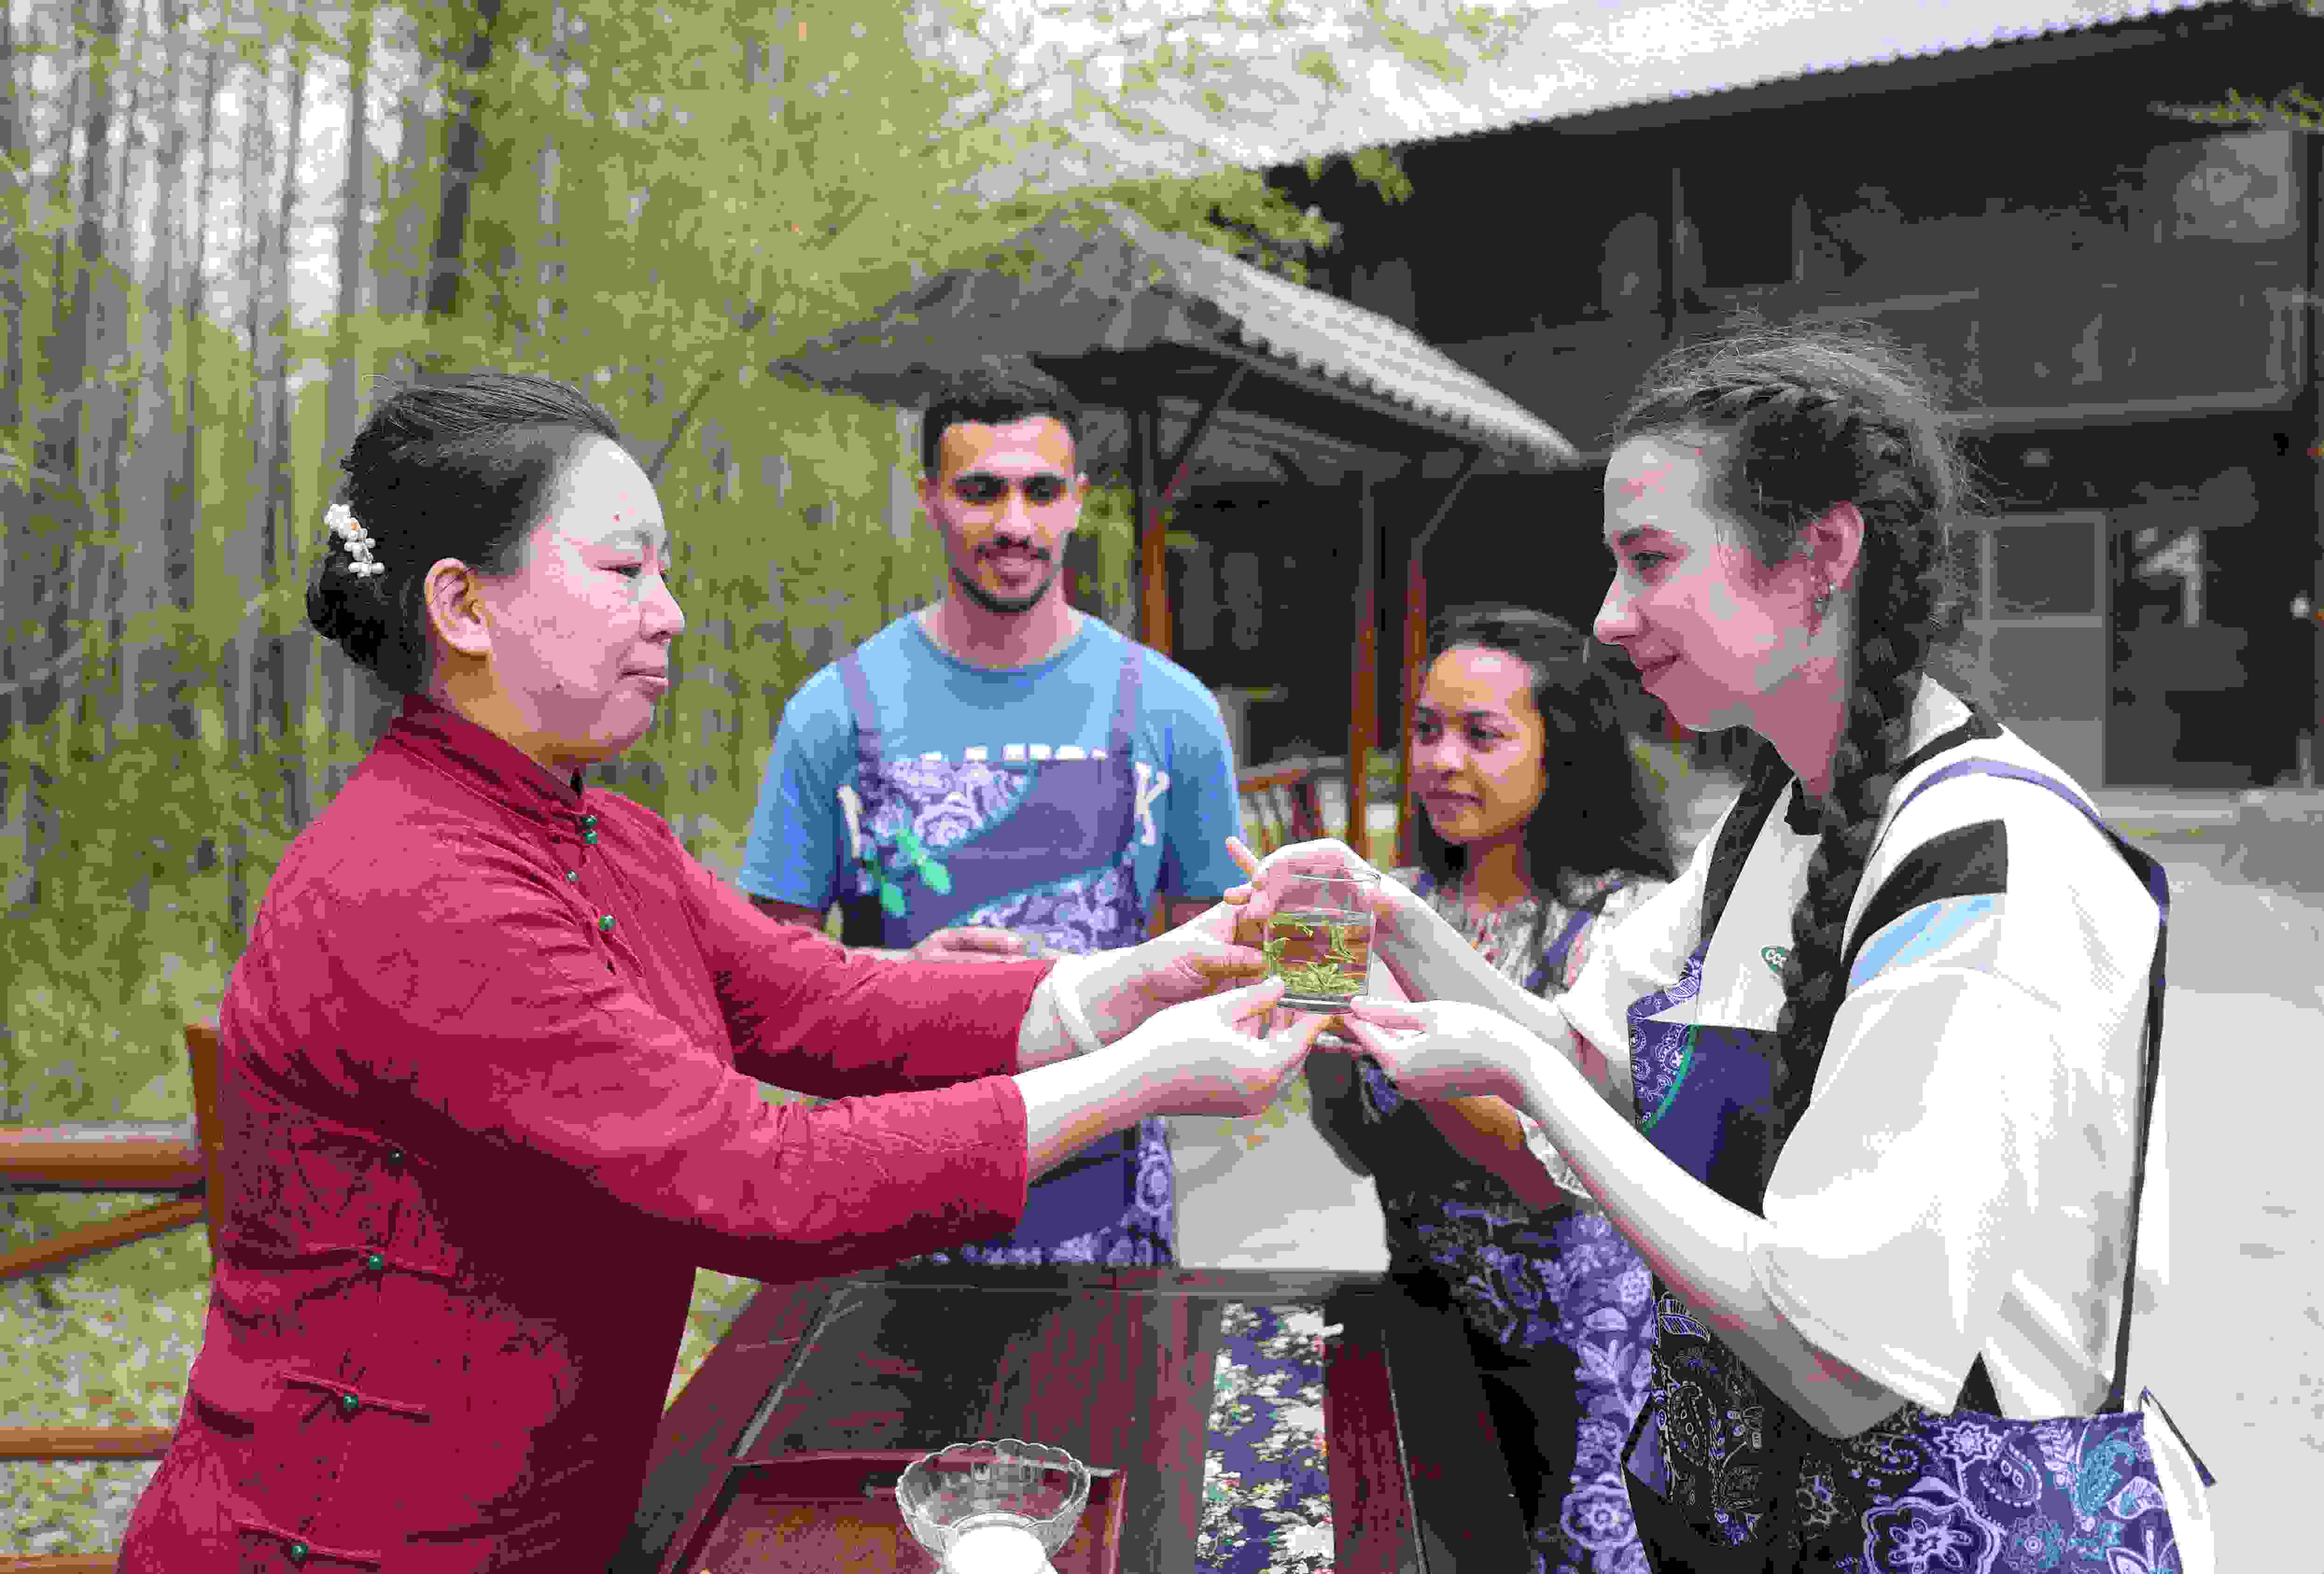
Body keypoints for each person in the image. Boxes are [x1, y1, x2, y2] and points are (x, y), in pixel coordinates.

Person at [117, 372, 1325, 1574]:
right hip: (349, 1540)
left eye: (665, 571)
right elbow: (759, 1174)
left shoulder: (604, 834)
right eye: (624, 570)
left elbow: (818, 996)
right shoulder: (416, 884)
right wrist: (1136, 1074)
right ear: (463, 606)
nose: (671, 613)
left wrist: (1130, 979)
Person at [1234, 318, 2213, 1574]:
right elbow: (1601, 1060)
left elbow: (1846, 1361)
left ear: (1823, 554)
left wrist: (1522, 1077)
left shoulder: (1985, 867)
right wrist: (1399, 922)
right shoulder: (1770, 819)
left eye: (1649, 560)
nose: (1609, 617)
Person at [738, 361, 1247, 1266]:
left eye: (1040, 491)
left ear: (1078, 501)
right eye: (981, 491)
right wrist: (905, 982)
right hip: (888, 1214)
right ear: (930, 498)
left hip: (1110, 1219)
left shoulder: (1174, 714)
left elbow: (1214, 970)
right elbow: (760, 987)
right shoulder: (836, 714)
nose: (1015, 524)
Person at [1297, 604, 1678, 1574]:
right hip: (1425, 1323)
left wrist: (1403, 1048)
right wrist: (1315, 1035)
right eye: (1427, 730)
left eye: (1482, 734)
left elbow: (1545, 1171)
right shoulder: (1403, 903)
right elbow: (1359, 1147)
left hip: (1576, 1357)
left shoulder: (1628, 929)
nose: (1441, 761)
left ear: (1564, 750)